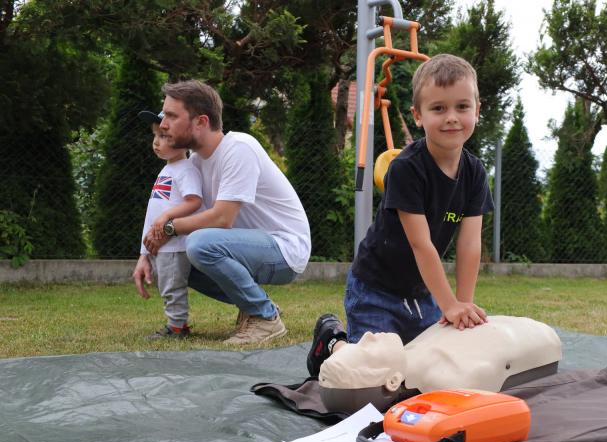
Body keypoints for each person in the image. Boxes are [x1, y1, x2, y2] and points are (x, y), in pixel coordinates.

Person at [307, 54, 493, 375]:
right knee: (378, 370)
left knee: (427, 365)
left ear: (477, 110)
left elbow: (469, 244)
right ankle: (331, 341)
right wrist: (449, 304)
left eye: (462, 106)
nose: (451, 117)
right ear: (417, 115)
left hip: (421, 293)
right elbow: (422, 245)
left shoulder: (475, 172)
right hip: (375, 288)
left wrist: (461, 305)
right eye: (438, 108)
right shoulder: (406, 169)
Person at [134, 80, 311, 345]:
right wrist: (147, 254)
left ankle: (265, 318)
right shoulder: (194, 163)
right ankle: (257, 304)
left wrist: (168, 229)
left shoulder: (238, 148)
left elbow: (221, 218)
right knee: (178, 261)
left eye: (171, 116)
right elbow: (176, 213)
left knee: (198, 244)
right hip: (244, 247)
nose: (164, 124)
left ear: (201, 122)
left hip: (284, 249)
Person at [317, 316, 562, 414]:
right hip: (535, 337)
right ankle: (335, 343)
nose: (368, 336)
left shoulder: (409, 355)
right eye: (366, 350)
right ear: (392, 381)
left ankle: (333, 341)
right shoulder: (452, 378)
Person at [134, 111, 203, 339]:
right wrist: (144, 253)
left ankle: (177, 327)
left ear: (184, 141)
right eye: (155, 135)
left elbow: (194, 201)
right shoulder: (169, 168)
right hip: (162, 246)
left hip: (174, 244)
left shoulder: (185, 169)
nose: (156, 142)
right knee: (167, 285)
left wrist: (166, 217)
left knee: (172, 286)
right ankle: (177, 324)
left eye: (164, 136)